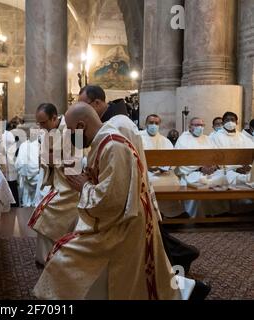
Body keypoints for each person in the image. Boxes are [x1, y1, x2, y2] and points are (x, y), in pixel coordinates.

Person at [34, 103, 200, 300]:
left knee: (63, 262)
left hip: (122, 225)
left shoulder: (112, 145)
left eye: (70, 131)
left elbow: (111, 201)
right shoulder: (103, 139)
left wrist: (84, 186)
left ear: (80, 126)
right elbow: (109, 184)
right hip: (118, 219)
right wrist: (88, 178)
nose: (70, 136)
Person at [79, 86, 199, 274]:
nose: (83, 111)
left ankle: (179, 264)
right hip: (126, 183)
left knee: (146, 236)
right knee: (148, 236)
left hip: (129, 185)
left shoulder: (119, 124)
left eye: (84, 105)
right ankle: (182, 256)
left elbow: (121, 159)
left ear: (97, 103)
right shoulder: (112, 121)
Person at [28, 103, 80, 265]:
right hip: (58, 183)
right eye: (39, 123)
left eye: (43, 122)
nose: (41, 127)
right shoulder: (46, 132)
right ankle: (46, 258)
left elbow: (78, 162)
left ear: (54, 118)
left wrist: (54, 159)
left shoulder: (72, 129)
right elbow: (43, 157)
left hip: (72, 186)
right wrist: (49, 160)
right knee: (45, 216)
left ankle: (54, 259)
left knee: (47, 215)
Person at [175, 117, 230, 218]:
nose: (199, 127)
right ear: (190, 127)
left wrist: (214, 166)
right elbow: (182, 160)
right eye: (196, 125)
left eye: (201, 125)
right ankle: (199, 215)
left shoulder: (207, 138)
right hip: (192, 172)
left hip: (210, 171)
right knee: (200, 182)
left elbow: (217, 155)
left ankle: (218, 212)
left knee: (223, 179)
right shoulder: (183, 139)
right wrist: (200, 168)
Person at [140, 115, 183, 218]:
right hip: (146, 172)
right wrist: (148, 167)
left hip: (163, 173)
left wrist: (166, 168)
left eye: (156, 123)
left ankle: (171, 213)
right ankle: (152, 214)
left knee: (174, 182)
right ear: (145, 124)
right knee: (151, 182)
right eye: (151, 123)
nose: (153, 125)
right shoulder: (138, 138)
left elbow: (172, 159)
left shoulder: (165, 140)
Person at [211, 112, 254, 185]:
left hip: (244, 169)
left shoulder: (242, 137)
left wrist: (248, 166)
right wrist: (234, 168)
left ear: (237, 122)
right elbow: (215, 157)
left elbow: (251, 153)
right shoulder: (216, 137)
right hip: (226, 170)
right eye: (227, 120)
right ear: (223, 122)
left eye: (232, 120)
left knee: (249, 176)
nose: (230, 122)